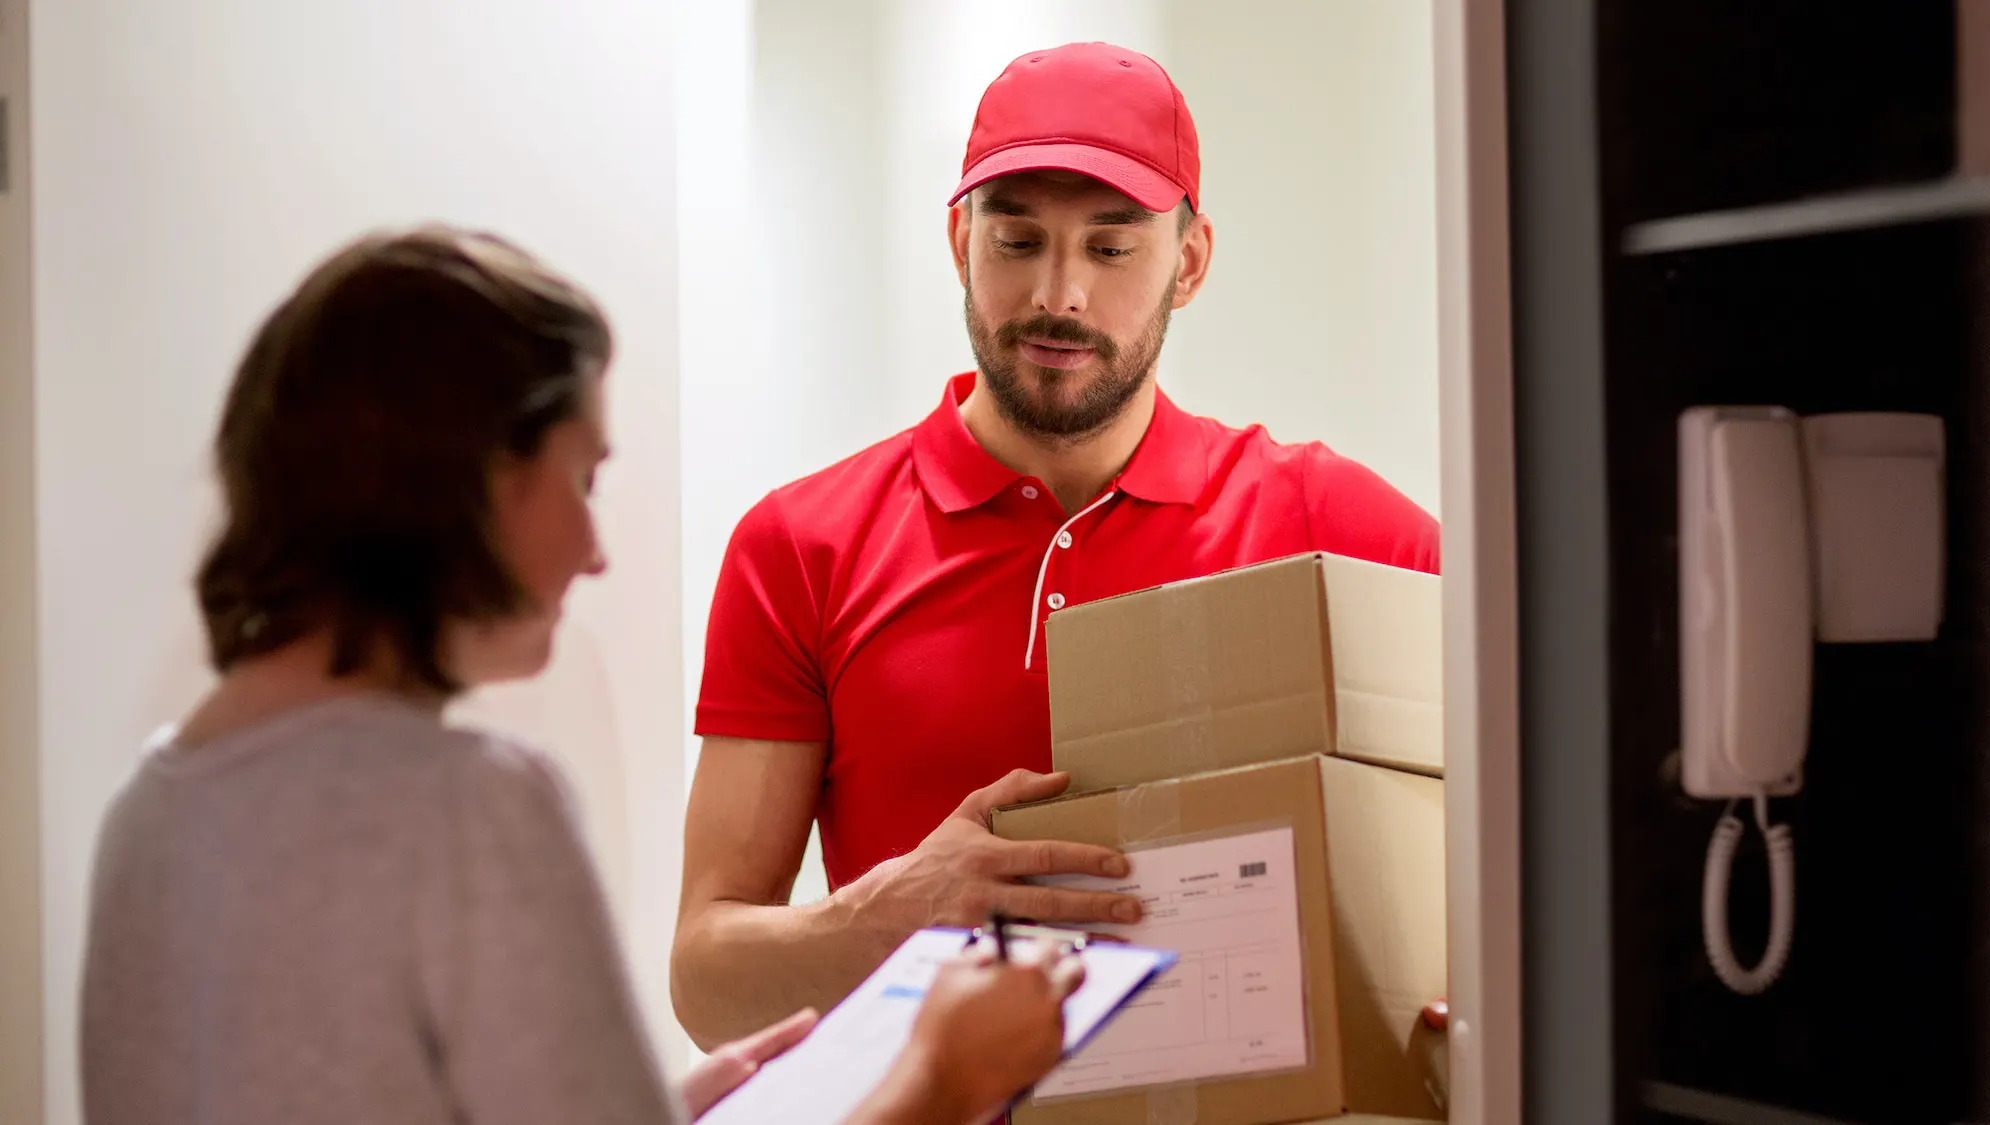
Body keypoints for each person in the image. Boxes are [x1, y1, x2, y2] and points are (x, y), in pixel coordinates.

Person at [79, 227, 1084, 1125]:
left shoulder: (150, 807)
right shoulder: (473, 807)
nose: (595, 549)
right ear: (468, 479)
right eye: (581, 477)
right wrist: (941, 1083)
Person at [673, 39, 1444, 1048]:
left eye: (1111, 248)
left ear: (1190, 261)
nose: (1057, 296)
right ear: (959, 242)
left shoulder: (1325, 524)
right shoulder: (801, 546)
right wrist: (885, 921)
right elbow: (704, 981)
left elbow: (1533, 816)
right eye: (1016, 241)